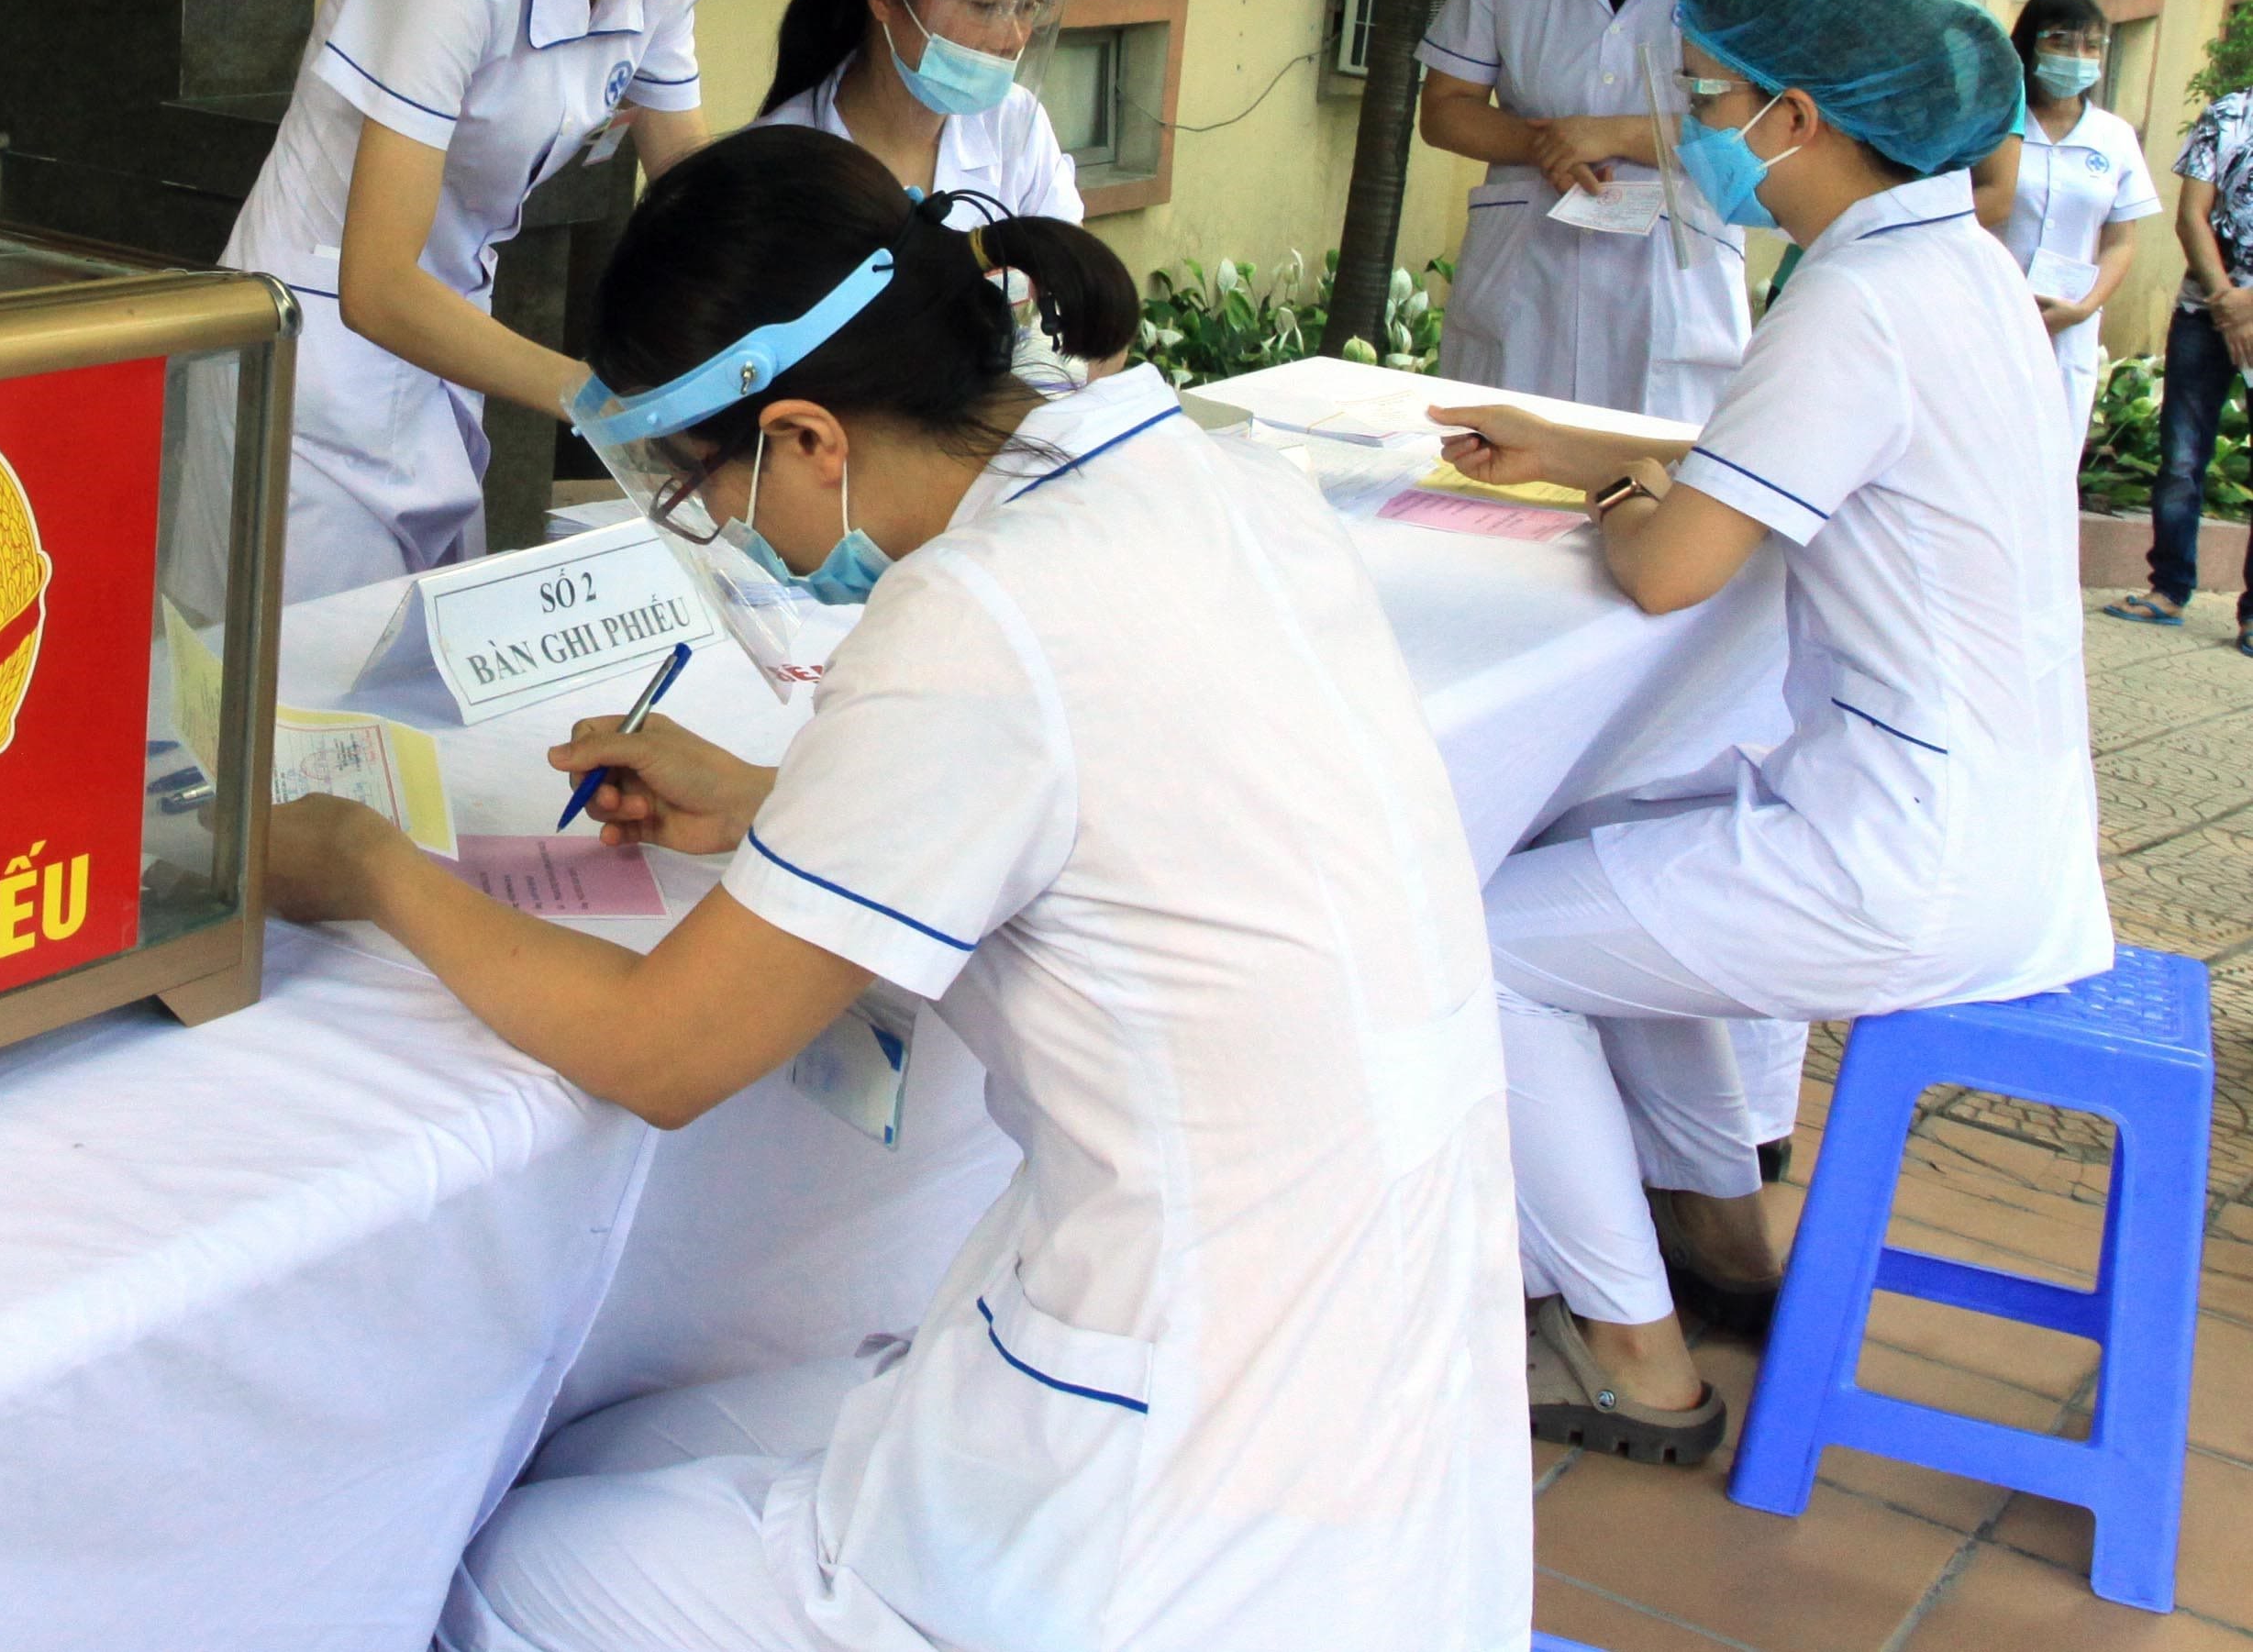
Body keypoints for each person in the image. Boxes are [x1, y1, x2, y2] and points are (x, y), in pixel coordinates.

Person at [263, 126, 1530, 1652]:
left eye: (699, 491)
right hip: (1386, 1400)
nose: (721, 534)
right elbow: (1110, 793)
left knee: (498, 1572)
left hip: (1174, 1508)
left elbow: (662, 1052)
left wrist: (372, 869)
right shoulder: (1200, 478)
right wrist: (775, 804)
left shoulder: (974, 615)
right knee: (622, 1447)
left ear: (805, 437)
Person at [1436, 0, 2109, 1467]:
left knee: (1471, 941)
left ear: (1795, 118)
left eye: (1704, 97)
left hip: (1904, 857)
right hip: (1989, 825)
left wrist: (1612, 495)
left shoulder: (1850, 302)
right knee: (1609, 852)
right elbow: (1785, 463)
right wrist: (1578, 446)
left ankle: (1630, 1356)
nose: (1686, 128)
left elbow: (1668, 568)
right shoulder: (1953, 266)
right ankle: (1719, 1240)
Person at [220, 0, 832, 604]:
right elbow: (376, 286)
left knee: (423, 665)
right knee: (310, 675)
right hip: (315, 375)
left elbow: (693, 192)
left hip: (442, 357)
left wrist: (800, 323)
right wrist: (606, 403)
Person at [1419, 0, 1755, 419]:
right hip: (1528, 268)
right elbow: (1445, 108)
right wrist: (1542, 144)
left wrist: (1620, 135)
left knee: (1653, 467)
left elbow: (1767, 125)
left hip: (1673, 279)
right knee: (1511, 462)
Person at [750, 0, 1076, 219]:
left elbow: (1068, 253)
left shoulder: (1014, 124)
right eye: (986, 3)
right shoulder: (773, 167)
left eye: (1028, 4)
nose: (1014, 38)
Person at [2109, 48, 2253, 639]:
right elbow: (2192, 215)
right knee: (2182, 459)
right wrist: (2228, 304)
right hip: (2204, 313)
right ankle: (2168, 588)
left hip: (2236, 308)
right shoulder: (2228, 114)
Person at [2002, 0, 2159, 443]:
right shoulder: (1998, 126)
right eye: (2061, 41)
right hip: (1995, 309)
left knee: (2056, 450)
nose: (2077, 56)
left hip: (2071, 323)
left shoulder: (2114, 137)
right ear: (2030, 43)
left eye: (2091, 45)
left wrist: (2084, 307)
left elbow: (2120, 240)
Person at [1874, 0, 2023, 237]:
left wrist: (1895, 239)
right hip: (1829, 250)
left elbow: (1997, 192)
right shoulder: (1846, 41)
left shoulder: (1992, 63)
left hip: (1928, 253)